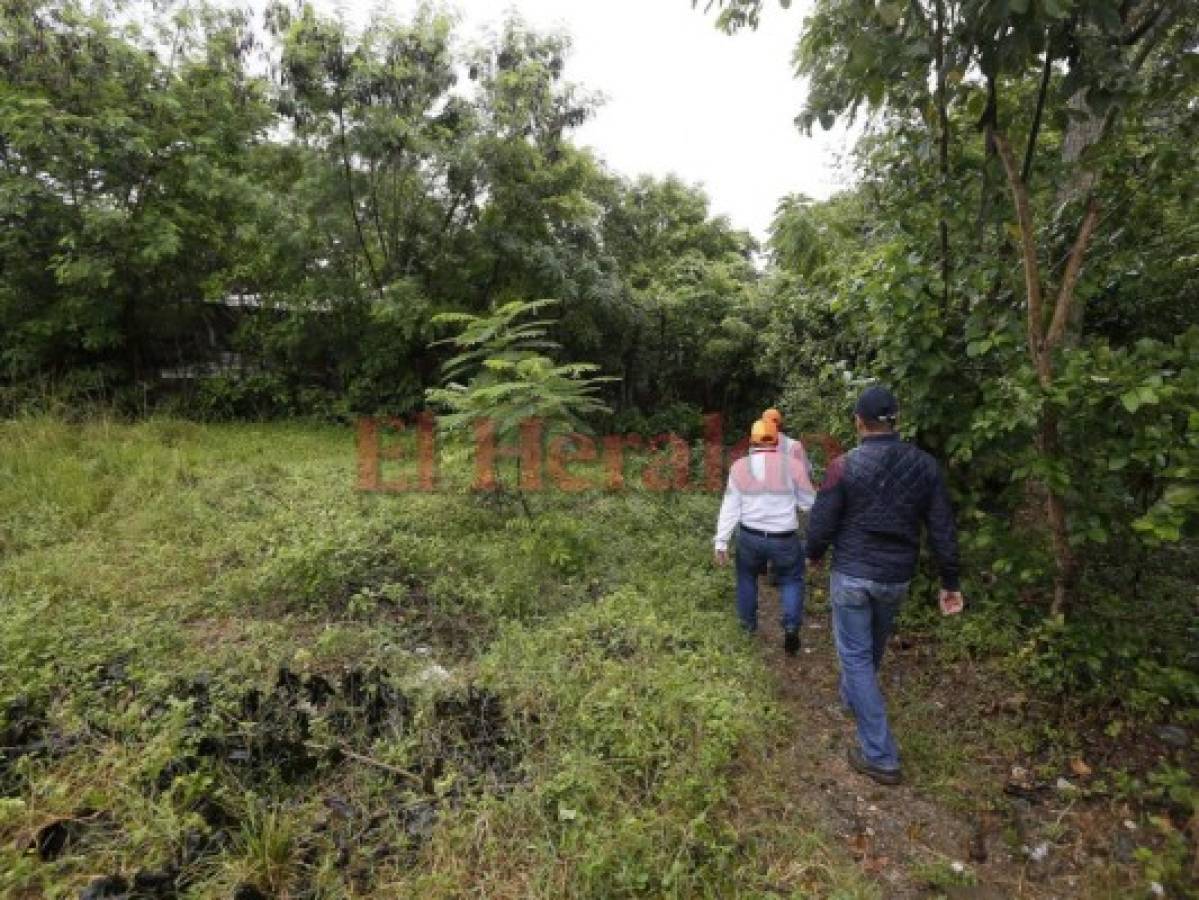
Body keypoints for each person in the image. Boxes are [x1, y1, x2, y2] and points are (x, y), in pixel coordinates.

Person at [806, 386, 964, 785]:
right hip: (895, 577)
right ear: (897, 420)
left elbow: (822, 521)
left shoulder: (843, 466)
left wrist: (813, 553)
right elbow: (942, 527)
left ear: (858, 422)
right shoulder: (925, 466)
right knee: (870, 649)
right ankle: (854, 698)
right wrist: (950, 580)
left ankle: (879, 755)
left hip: (852, 573)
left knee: (857, 657)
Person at [714, 418, 816, 656]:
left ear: (752, 440)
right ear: (777, 439)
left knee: (746, 578)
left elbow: (730, 507)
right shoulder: (794, 466)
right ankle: (791, 627)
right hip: (784, 538)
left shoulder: (740, 467)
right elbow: (809, 503)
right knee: (791, 581)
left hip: (750, 537)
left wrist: (721, 541)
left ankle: (747, 628)